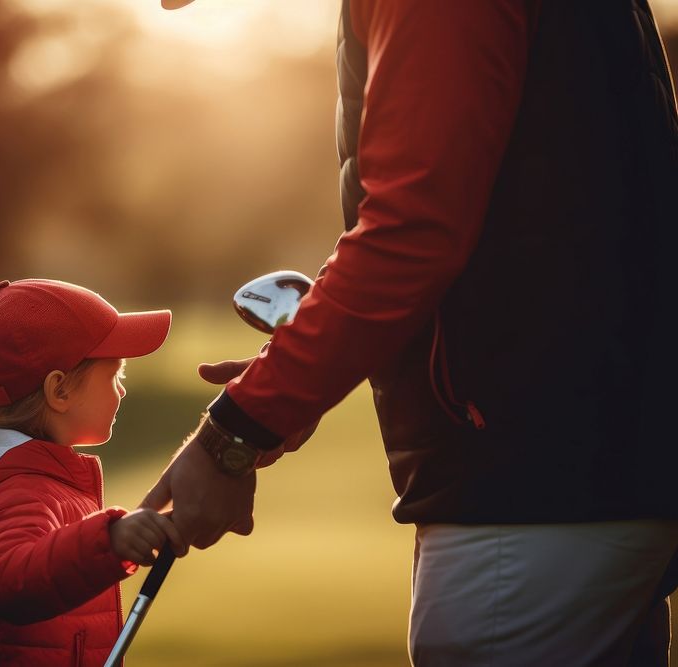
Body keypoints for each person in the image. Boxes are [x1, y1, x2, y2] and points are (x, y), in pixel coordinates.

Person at [146, 0, 678, 664]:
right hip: (588, 478)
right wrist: (303, 371)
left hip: (528, 491)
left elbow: (413, 234)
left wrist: (233, 433)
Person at [0, 278, 184, 666]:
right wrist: (109, 541)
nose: (123, 391)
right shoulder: (25, 489)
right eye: (116, 376)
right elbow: (9, 583)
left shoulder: (38, 478)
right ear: (59, 391)